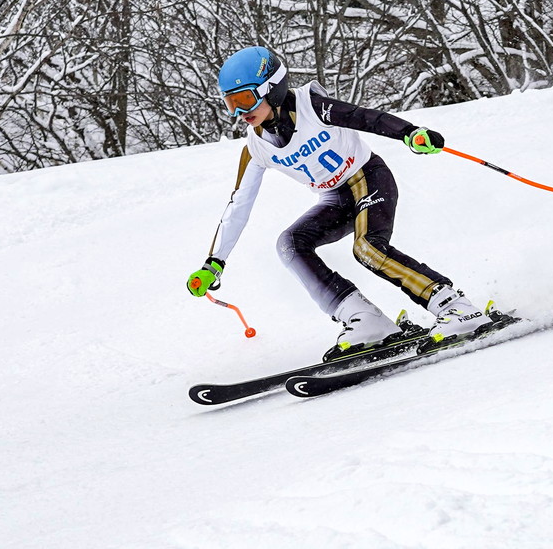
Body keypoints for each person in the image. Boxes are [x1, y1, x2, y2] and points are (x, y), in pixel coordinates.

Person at [188, 45, 499, 361]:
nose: (239, 112)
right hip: (335, 199)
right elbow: (239, 204)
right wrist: (215, 261)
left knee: (368, 248)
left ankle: (455, 307)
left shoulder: (312, 107)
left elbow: (364, 118)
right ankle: (365, 319)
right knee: (290, 244)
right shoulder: (256, 148)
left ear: (272, 89)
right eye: (230, 104)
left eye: (244, 99)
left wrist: (409, 133)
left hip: (367, 177)